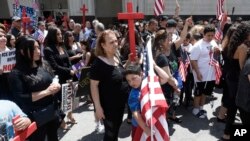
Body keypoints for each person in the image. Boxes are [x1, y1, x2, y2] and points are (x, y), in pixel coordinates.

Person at [8, 36, 61, 141]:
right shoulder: (16, 74)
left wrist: (57, 85)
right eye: (33, 49)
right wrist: (46, 92)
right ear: (22, 51)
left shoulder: (44, 64)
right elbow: (21, 97)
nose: (38, 51)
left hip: (52, 112)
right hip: (34, 117)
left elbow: (53, 78)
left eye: (38, 47)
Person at [90, 30, 130, 141]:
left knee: (115, 131)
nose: (116, 44)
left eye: (116, 41)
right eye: (111, 42)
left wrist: (128, 62)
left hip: (120, 103)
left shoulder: (116, 56)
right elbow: (93, 86)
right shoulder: (98, 63)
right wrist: (98, 107)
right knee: (110, 134)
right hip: (109, 107)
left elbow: (119, 73)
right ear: (102, 45)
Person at [221, 21, 250, 141]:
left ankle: (227, 133)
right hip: (237, 80)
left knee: (232, 107)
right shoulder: (242, 47)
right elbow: (243, 67)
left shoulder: (233, 42)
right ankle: (230, 133)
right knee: (237, 107)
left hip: (230, 77)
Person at [124, 63, 169, 140]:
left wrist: (154, 65)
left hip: (153, 121)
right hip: (140, 125)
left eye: (133, 78)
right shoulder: (133, 94)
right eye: (128, 81)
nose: (131, 83)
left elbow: (166, 78)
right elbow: (135, 113)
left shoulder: (150, 83)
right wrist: (145, 128)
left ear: (141, 74)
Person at [43, 27, 76, 129]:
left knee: (70, 97)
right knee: (61, 100)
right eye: (58, 34)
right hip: (59, 77)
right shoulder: (48, 49)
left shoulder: (62, 46)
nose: (60, 36)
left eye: (60, 34)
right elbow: (55, 66)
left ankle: (70, 115)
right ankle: (61, 120)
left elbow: (68, 61)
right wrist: (68, 71)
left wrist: (72, 70)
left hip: (69, 76)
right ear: (53, 36)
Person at [189, 25, 218, 119]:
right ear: (203, 34)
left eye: (212, 35)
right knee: (198, 93)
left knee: (205, 92)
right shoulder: (198, 45)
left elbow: (216, 53)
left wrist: (218, 51)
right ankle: (195, 109)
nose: (210, 37)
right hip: (200, 73)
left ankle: (201, 107)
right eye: (208, 35)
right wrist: (197, 73)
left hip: (211, 73)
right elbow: (193, 60)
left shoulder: (213, 42)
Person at [0, 24, 11, 100]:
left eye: (4, 35)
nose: (3, 38)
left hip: (12, 84)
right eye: (0, 36)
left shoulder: (12, 51)